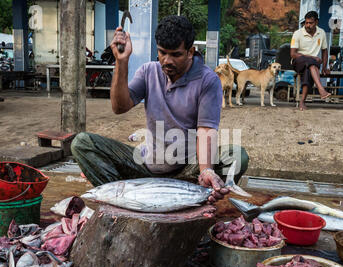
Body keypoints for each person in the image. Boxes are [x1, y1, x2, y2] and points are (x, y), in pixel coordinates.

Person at [71, 15, 249, 205]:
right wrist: (121, 62)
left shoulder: (207, 80)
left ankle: (196, 197)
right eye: (162, 52)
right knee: (82, 143)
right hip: (146, 167)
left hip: (187, 171)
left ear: (190, 52)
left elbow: (205, 130)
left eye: (176, 54)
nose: (167, 61)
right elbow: (119, 107)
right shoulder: (149, 71)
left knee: (237, 156)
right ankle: (125, 202)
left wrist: (206, 170)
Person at [290, 11, 331, 111]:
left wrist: (324, 67)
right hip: (298, 61)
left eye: (310, 23)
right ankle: (321, 89)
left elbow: (325, 51)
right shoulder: (297, 33)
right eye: (306, 23)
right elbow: (293, 54)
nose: (308, 25)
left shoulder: (321, 33)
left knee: (310, 69)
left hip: (312, 64)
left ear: (316, 22)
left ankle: (302, 102)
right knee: (311, 63)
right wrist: (311, 57)